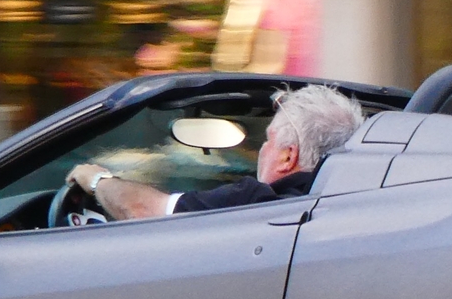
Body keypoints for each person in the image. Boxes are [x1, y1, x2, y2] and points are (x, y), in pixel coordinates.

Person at [67, 83, 362, 221]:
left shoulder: (256, 200)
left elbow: (143, 211)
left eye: (269, 140)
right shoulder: (357, 202)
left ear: (288, 156)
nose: (262, 149)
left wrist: (96, 180)